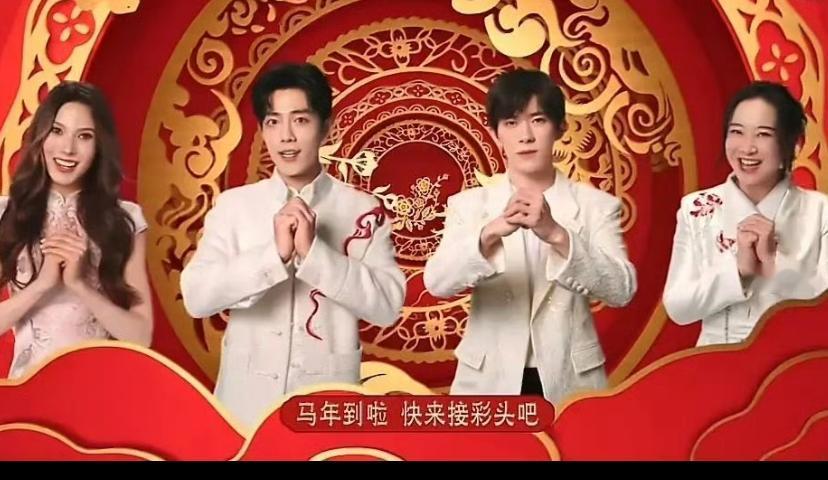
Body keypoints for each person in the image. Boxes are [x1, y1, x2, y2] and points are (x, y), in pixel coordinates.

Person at [180, 62, 406, 428]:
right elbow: (196, 297)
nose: (286, 136)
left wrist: (316, 255)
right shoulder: (234, 206)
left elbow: (388, 306)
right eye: (273, 122)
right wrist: (274, 256)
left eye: (300, 120)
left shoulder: (364, 210)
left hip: (326, 405)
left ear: (326, 127)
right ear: (262, 130)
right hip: (243, 405)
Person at [423, 68, 637, 403]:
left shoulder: (596, 206)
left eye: (538, 120)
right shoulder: (468, 206)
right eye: (511, 122)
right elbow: (437, 283)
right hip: (487, 380)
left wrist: (557, 234)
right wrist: (488, 234)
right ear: (495, 133)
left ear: (560, 127)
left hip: (570, 381)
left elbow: (622, 290)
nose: (525, 136)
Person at [0, 81, 153, 378]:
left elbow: (141, 336)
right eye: (57, 131)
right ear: (41, 135)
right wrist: (42, 284)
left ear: (99, 146)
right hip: (27, 386)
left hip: (97, 385)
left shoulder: (125, 219)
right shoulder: (7, 214)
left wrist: (80, 285)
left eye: (84, 136)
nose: (67, 149)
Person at [663, 81, 828, 346]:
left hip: (793, 361)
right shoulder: (697, 208)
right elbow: (677, 307)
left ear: (792, 143)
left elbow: (823, 311)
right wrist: (738, 271)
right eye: (737, 132)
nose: (747, 147)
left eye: (763, 134)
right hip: (715, 361)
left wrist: (773, 262)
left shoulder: (820, 212)